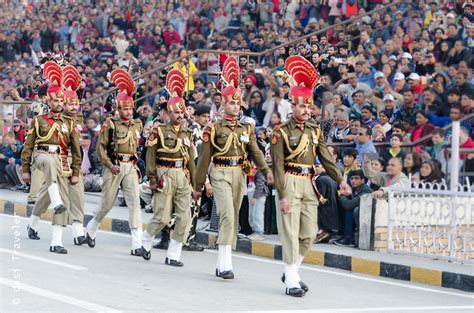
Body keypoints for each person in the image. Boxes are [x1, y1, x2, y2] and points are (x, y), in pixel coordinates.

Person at [271, 56, 349, 297]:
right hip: (289, 182)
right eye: (301, 106)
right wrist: (282, 195)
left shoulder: (315, 130)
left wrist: (341, 180)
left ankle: (292, 270)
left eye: (308, 106)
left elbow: (325, 157)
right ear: (292, 106)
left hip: (309, 184)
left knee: (308, 234)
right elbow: (278, 166)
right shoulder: (281, 132)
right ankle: (292, 280)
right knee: (290, 233)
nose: (306, 110)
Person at [194, 57, 273, 280]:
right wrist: (199, 185)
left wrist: (266, 171)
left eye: (238, 103)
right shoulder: (213, 128)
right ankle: (226, 263)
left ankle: (221, 263)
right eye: (231, 103)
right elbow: (204, 158)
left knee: (234, 216)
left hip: (239, 173)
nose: (235, 106)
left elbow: (255, 151)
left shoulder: (246, 126)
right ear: (223, 104)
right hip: (219, 172)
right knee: (227, 215)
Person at [22, 61, 81, 253]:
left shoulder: (69, 123)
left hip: (62, 162)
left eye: (61, 101)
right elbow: (28, 146)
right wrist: (25, 170)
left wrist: (76, 171)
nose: (59, 104)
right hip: (41, 155)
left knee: (51, 199)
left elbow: (76, 150)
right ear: (49, 101)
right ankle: (56, 202)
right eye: (55, 100)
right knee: (48, 162)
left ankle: (52, 238)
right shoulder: (39, 120)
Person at [140, 69, 196, 265]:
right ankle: (146, 239)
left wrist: (195, 185)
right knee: (162, 217)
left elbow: (191, 160)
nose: (180, 115)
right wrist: (153, 179)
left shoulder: (188, 133)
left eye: (182, 111)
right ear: (167, 113)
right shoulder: (159, 130)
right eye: (176, 112)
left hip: (182, 175)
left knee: (184, 218)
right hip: (164, 174)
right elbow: (150, 156)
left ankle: (173, 254)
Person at [85, 69, 143, 256]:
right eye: (124, 109)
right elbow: (100, 149)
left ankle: (137, 243)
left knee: (134, 203)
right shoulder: (110, 124)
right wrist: (109, 165)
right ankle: (92, 227)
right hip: (114, 167)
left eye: (130, 108)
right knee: (107, 204)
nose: (128, 112)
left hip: (130, 167)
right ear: (118, 109)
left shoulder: (137, 124)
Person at [336, 169, 373, 247]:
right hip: (359, 214)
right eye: (352, 178)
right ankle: (341, 235)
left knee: (351, 209)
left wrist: (341, 195)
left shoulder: (365, 190)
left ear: (362, 180)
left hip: (369, 216)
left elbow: (348, 205)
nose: (353, 181)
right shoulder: (353, 189)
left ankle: (348, 239)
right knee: (342, 207)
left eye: (356, 178)